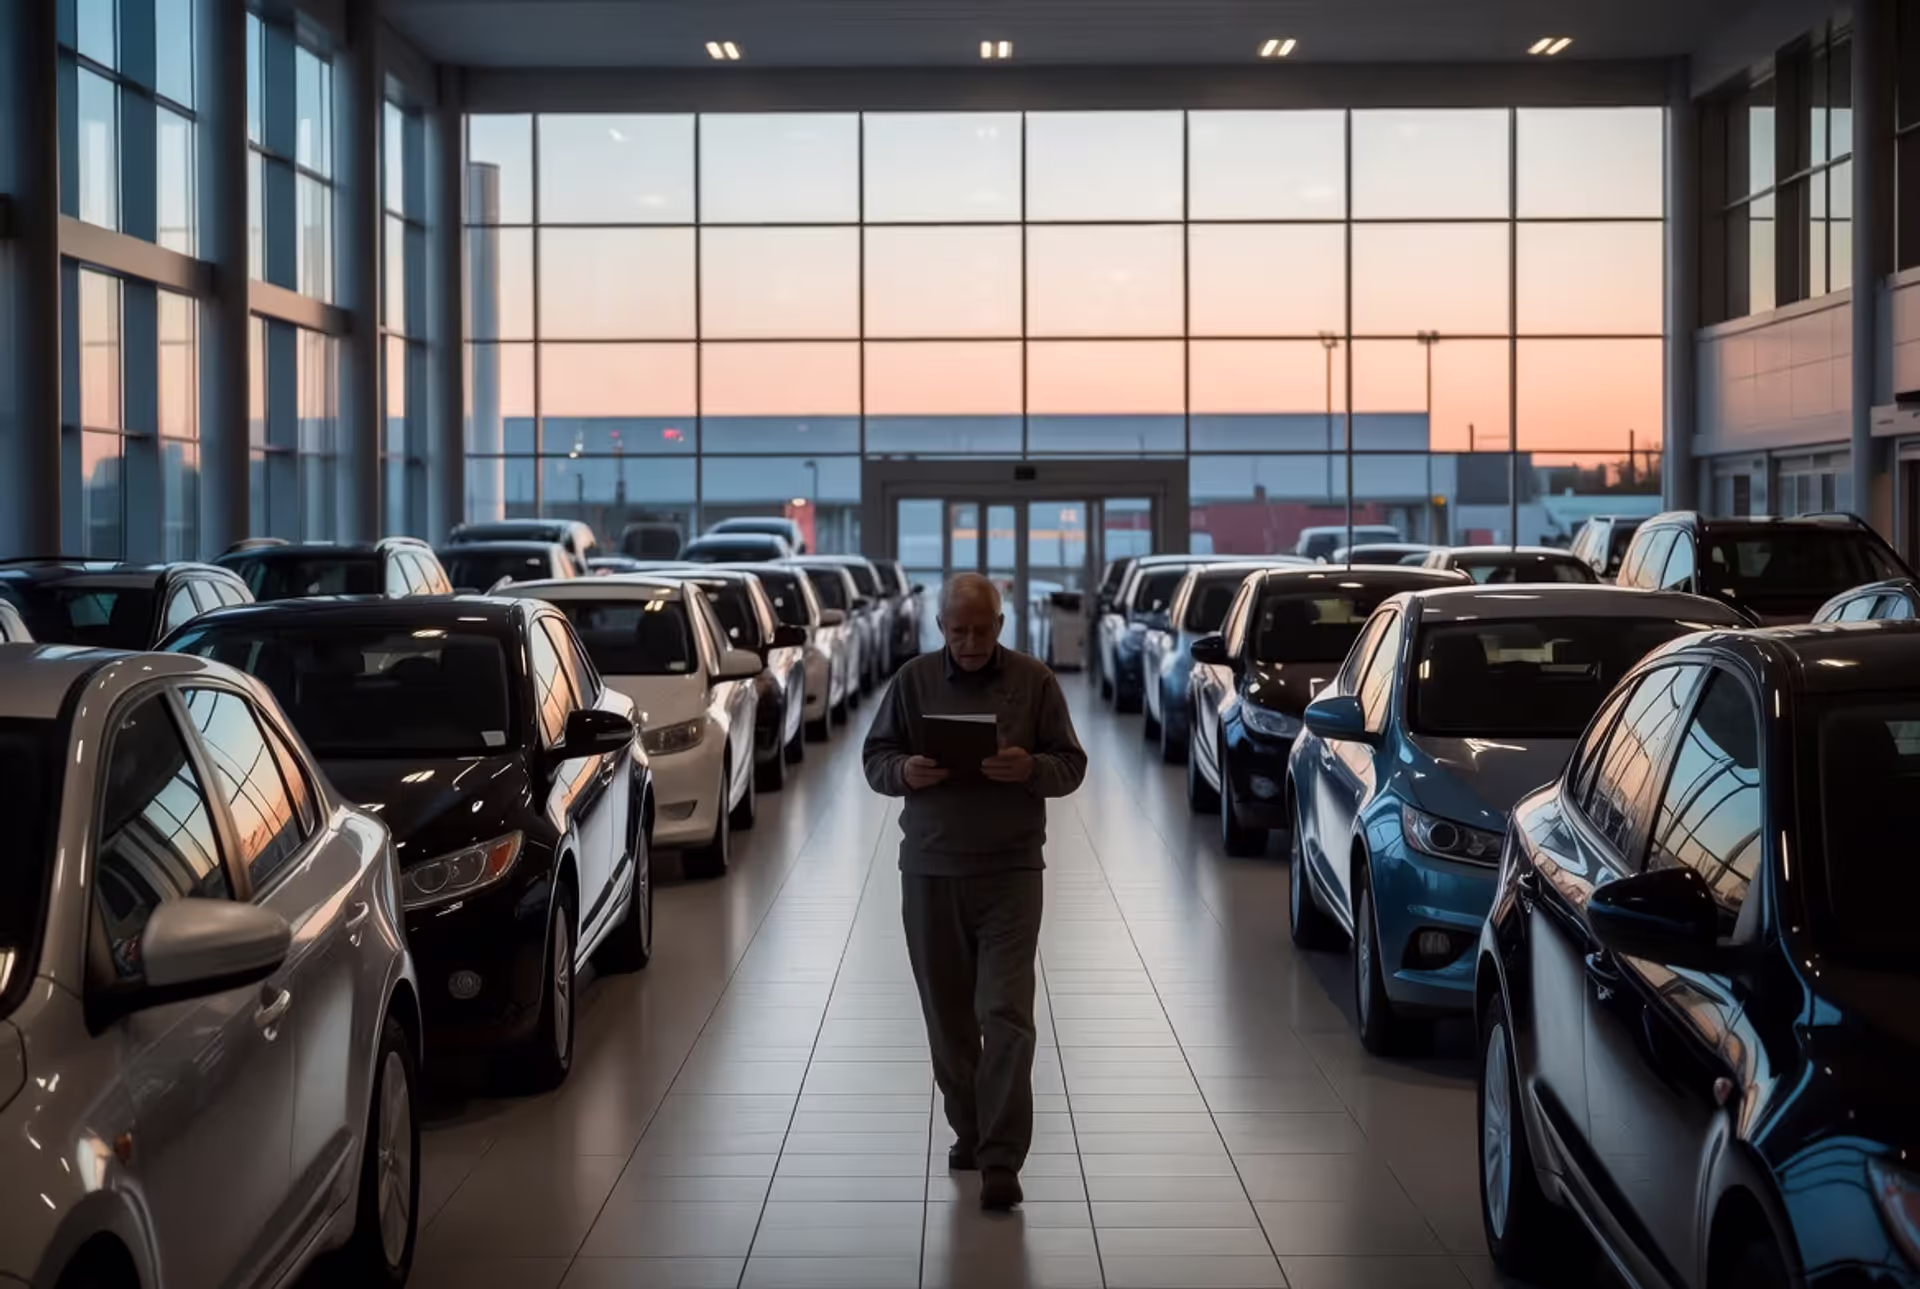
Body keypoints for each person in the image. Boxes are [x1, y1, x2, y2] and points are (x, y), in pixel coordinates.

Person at [862, 573, 1087, 1211]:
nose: (968, 641)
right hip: (930, 873)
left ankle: (1000, 1160)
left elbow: (1071, 764)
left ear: (999, 625)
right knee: (950, 1020)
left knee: (1006, 1016)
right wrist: (903, 770)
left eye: (980, 629)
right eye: (957, 630)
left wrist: (1031, 769)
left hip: (1011, 873)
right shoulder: (912, 682)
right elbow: (875, 757)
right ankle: (969, 1127)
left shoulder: (1034, 682)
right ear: (940, 627)